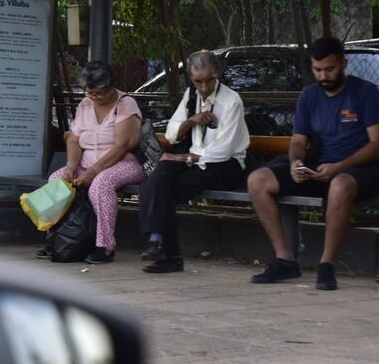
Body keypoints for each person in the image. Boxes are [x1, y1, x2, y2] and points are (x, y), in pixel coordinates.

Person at [247, 36, 379, 290]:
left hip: (360, 172)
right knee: (257, 180)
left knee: (340, 184)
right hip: (320, 169)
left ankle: (326, 265)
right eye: (317, 70)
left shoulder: (367, 93)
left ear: (344, 63)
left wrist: (340, 167)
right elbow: (298, 141)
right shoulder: (309, 96)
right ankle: (284, 259)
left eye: (330, 69)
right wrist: (296, 163)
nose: (323, 76)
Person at [138, 50, 250, 273]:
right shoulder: (191, 96)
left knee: (165, 189)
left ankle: (164, 248)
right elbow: (171, 134)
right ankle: (156, 240)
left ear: (216, 73)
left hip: (224, 166)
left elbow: (223, 151)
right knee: (160, 173)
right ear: (190, 77)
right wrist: (191, 121)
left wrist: (186, 157)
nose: (204, 87)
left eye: (209, 80)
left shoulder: (231, 101)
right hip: (195, 159)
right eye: (198, 81)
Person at [39, 61, 144, 264]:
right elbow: (74, 139)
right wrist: (71, 167)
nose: (95, 98)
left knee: (101, 185)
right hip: (86, 163)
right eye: (90, 93)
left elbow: (123, 145)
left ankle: (105, 246)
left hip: (123, 163)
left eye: (100, 93)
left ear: (111, 87)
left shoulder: (125, 104)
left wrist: (94, 170)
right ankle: (57, 240)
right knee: (57, 180)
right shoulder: (85, 105)